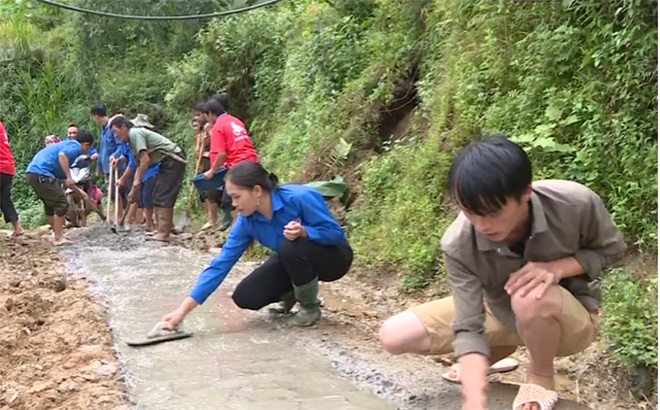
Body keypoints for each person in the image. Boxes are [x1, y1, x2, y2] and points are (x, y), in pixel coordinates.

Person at [377, 136, 626, 410]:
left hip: (569, 319)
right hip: (500, 312)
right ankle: (493, 355)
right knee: (393, 335)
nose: (483, 225)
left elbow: (612, 250)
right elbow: (469, 323)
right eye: (471, 212)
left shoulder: (574, 203)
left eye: (493, 212)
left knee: (529, 297)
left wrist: (558, 268)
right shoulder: (458, 242)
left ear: (525, 194)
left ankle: (541, 377)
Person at [160, 161, 352, 330]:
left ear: (257, 191)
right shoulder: (246, 222)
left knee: (291, 246)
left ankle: (309, 308)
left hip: (334, 258)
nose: (234, 204)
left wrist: (305, 232)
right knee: (245, 297)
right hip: (291, 258)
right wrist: (181, 311)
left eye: (237, 197)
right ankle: (293, 293)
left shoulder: (299, 197)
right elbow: (220, 265)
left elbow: (335, 234)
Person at [110, 116, 186, 242]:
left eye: (115, 131)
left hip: (173, 159)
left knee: (164, 195)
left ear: (123, 127)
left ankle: (164, 233)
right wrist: (134, 188)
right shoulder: (130, 142)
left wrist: (137, 181)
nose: (115, 136)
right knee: (157, 194)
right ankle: (162, 229)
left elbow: (145, 160)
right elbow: (138, 164)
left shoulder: (134, 134)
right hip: (165, 162)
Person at [26, 131, 95, 245]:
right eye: (89, 148)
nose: (87, 151)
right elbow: (62, 156)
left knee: (50, 205)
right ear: (86, 144)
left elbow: (68, 183)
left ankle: (56, 234)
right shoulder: (75, 146)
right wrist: (69, 177)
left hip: (33, 173)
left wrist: (83, 194)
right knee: (61, 203)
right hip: (42, 173)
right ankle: (58, 238)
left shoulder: (65, 144)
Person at [202, 99, 258, 230]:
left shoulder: (218, 127)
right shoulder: (235, 120)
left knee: (232, 201)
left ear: (210, 113)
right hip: (252, 161)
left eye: (206, 116)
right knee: (249, 197)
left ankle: (236, 233)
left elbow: (221, 154)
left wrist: (212, 171)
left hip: (238, 165)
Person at [0, 119, 24, 237]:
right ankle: (17, 227)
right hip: (8, 167)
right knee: (5, 199)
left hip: (1, 166)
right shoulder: (1, 127)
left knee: (4, 199)